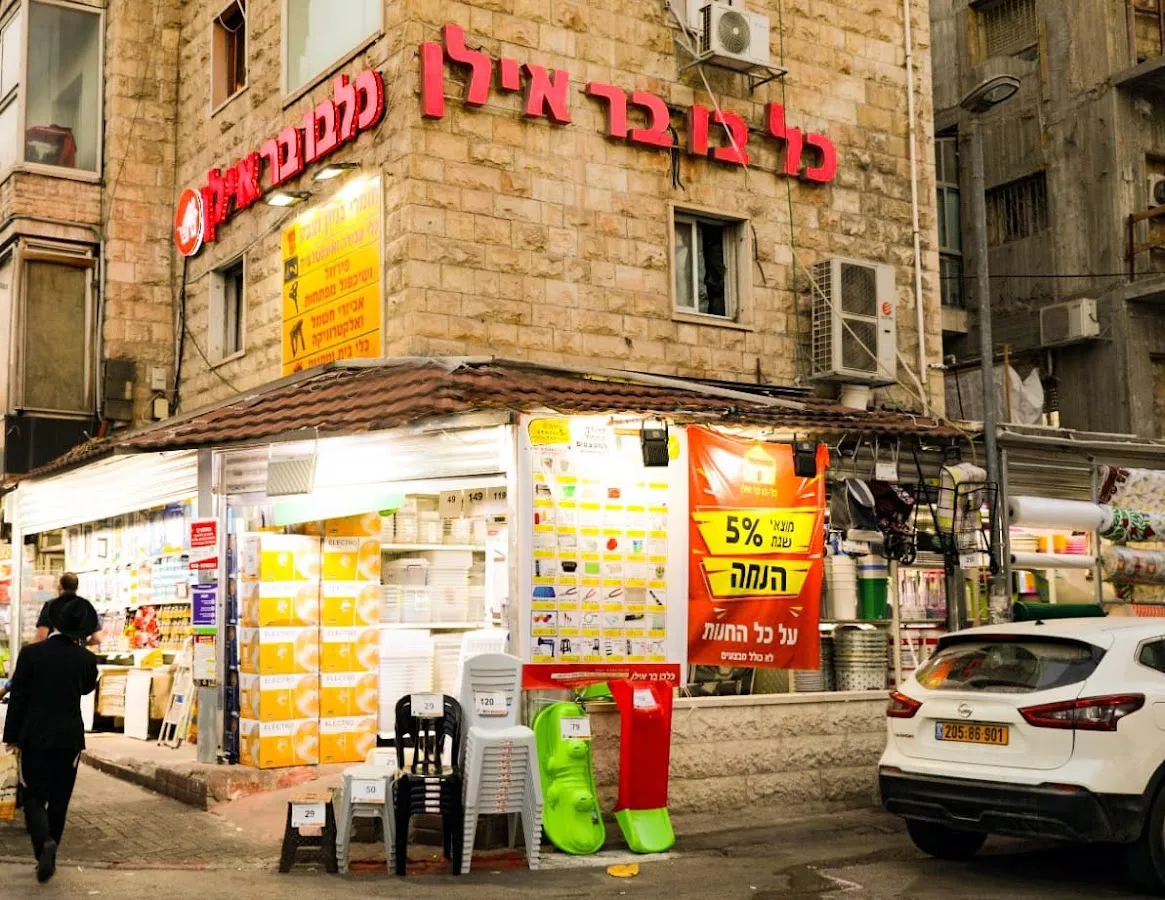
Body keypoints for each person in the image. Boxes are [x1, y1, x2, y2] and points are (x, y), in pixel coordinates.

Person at [3, 595, 99, 883]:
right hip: (69, 739)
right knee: (60, 799)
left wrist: (11, 736)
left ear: (54, 622)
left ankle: (43, 844)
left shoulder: (31, 654)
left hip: (33, 736)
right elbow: (86, 688)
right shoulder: (86, 658)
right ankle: (51, 853)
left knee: (34, 797)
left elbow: (18, 698)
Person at [34, 573, 100, 646]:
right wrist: (82, 645)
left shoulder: (50, 605)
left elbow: (41, 637)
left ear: (60, 587)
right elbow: (97, 638)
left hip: (56, 650)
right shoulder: (85, 606)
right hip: (77, 651)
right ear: (77, 588)